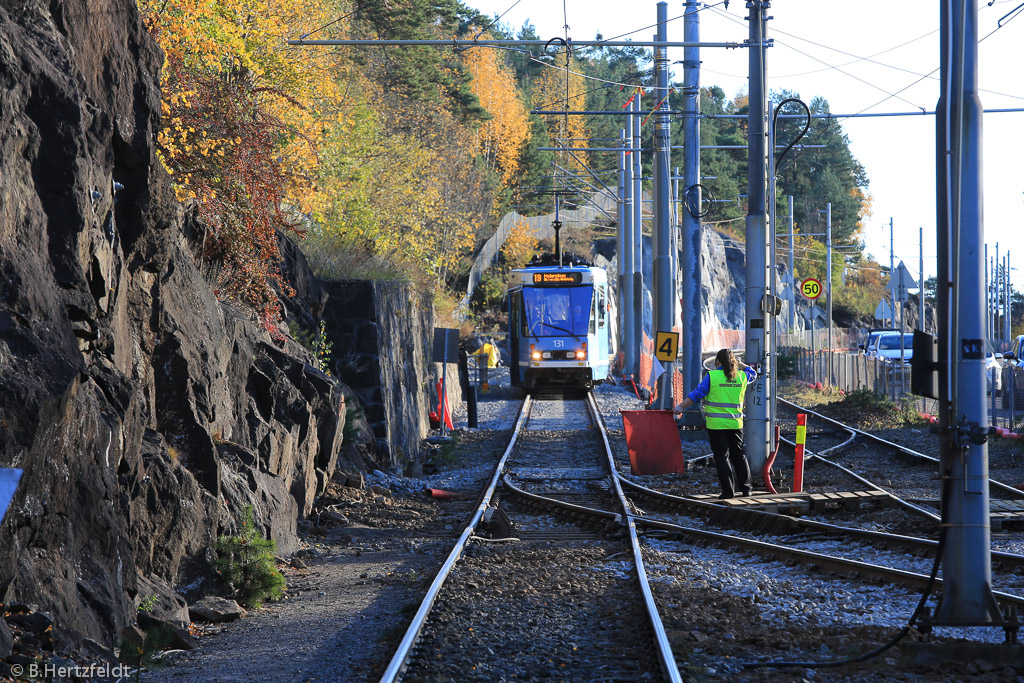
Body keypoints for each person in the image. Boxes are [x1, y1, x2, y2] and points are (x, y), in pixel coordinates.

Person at [673, 348, 758, 500]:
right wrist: (741, 364)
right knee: (739, 455)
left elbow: (696, 394)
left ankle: (728, 491)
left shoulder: (712, 376)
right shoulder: (741, 376)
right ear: (734, 362)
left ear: (717, 362)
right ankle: (747, 489)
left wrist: (680, 407)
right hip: (735, 424)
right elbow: (753, 373)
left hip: (716, 425)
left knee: (721, 457)